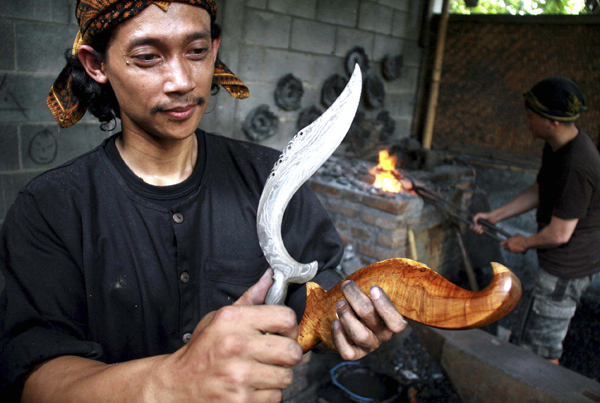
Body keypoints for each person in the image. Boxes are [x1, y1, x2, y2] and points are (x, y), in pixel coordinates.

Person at [0, 1, 407, 401]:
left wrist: (346, 319)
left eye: (196, 52)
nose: (181, 80)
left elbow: (322, 288)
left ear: (214, 49)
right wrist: (174, 380)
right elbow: (35, 380)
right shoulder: (50, 209)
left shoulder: (271, 178)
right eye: (147, 57)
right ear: (96, 64)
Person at [472, 76, 600, 365]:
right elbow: (540, 190)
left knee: (544, 349)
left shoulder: (577, 164)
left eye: (532, 115)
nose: (526, 120)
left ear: (552, 121)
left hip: (568, 267)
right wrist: (496, 215)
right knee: (533, 333)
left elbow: (560, 233)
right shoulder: (556, 146)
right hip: (558, 260)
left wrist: (524, 242)